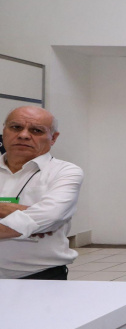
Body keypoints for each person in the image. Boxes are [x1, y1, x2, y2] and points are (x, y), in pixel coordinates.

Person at [0, 106, 84, 279]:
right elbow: (40, 219)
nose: (23, 135)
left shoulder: (65, 172)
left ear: (53, 138)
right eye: (16, 127)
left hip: (40, 277)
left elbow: (51, 215)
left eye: (36, 130)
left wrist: (39, 219)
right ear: (4, 131)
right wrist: (29, 219)